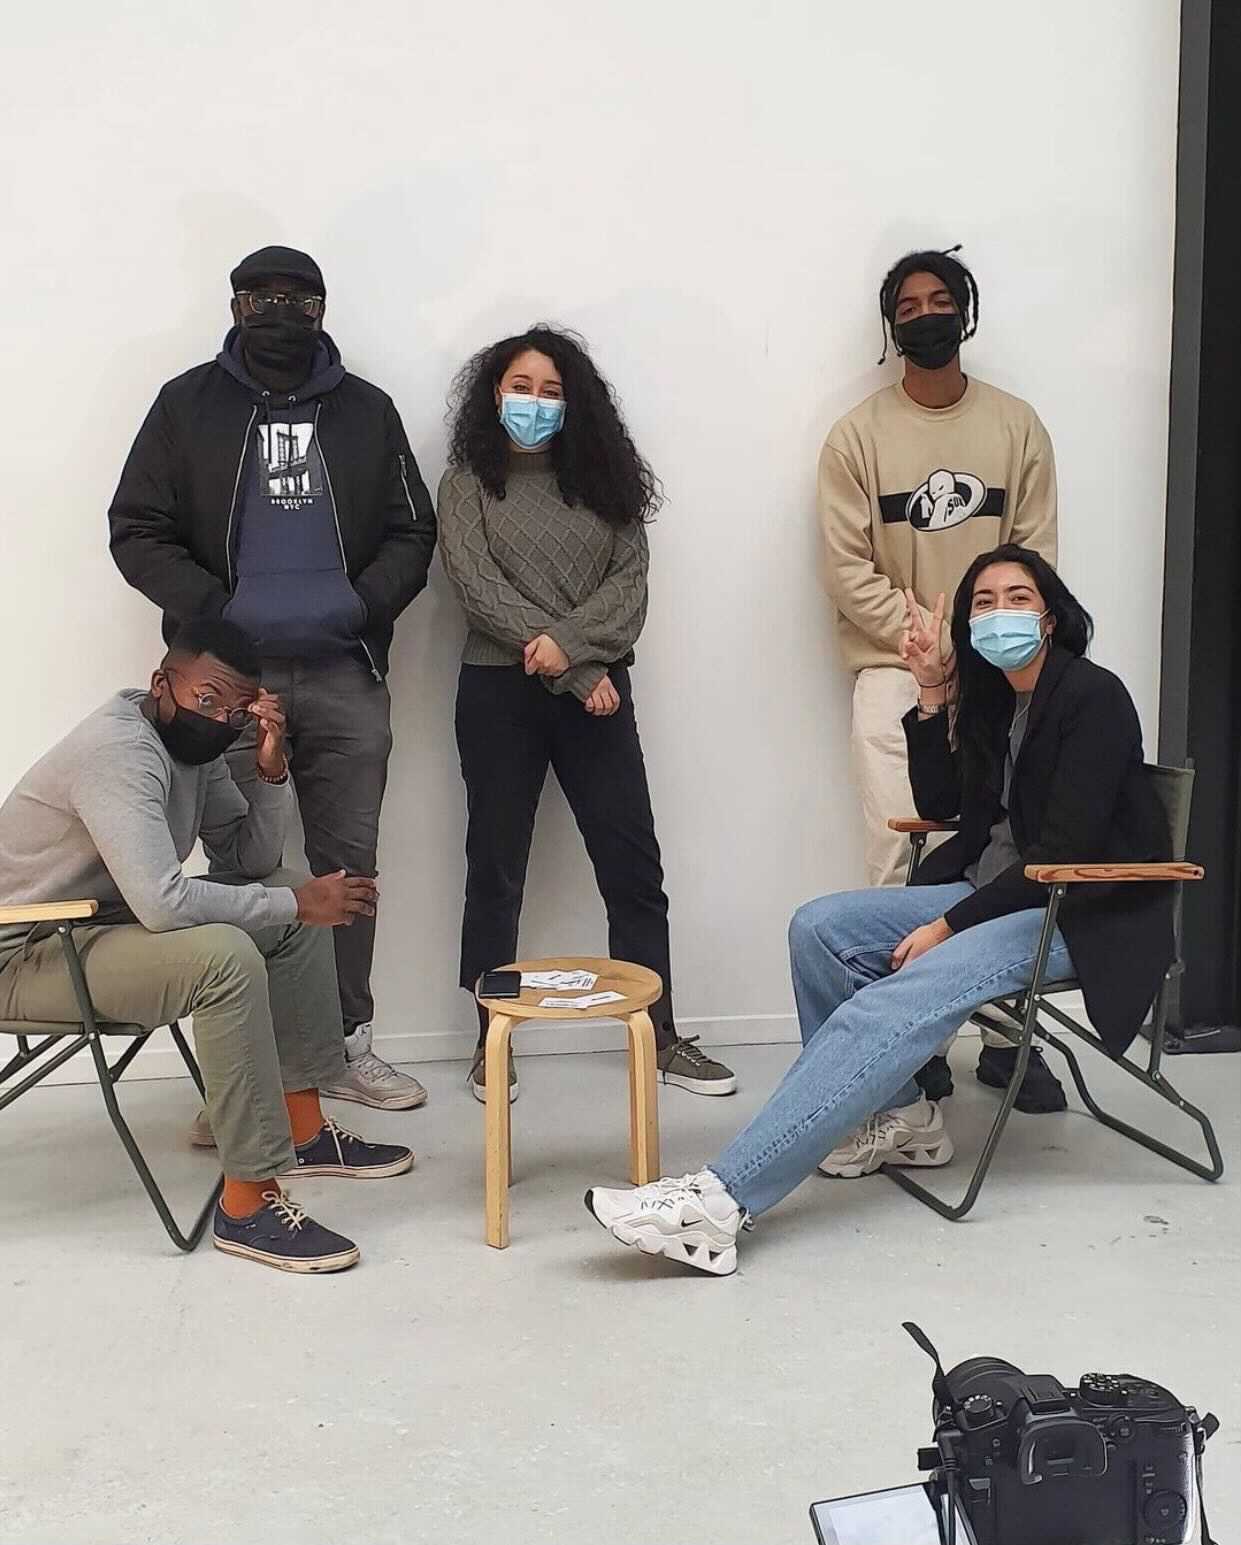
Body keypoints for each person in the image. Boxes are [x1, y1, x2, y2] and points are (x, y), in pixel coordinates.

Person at [584, 546, 1174, 1276]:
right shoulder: (998, 699)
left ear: (1049, 617)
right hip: (998, 895)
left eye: (1017, 597)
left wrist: (946, 927)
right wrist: (930, 694)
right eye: (983, 602)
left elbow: (1064, 851)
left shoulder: (1093, 696)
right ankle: (905, 1115)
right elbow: (943, 804)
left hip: (1076, 910)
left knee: (894, 996)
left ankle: (721, 1202)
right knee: (818, 928)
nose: (1000, 612)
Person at [108, 245, 436, 1114]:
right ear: (235, 308)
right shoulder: (185, 404)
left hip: (346, 672)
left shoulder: (368, 410)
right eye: (260, 299)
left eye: (296, 300)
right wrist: (217, 612)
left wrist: (360, 605)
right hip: (228, 687)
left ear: (321, 312)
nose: (278, 313)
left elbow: (414, 530)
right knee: (239, 865)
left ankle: (345, 1045)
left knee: (348, 862)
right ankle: (248, 1065)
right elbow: (134, 527)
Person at [0, 620, 414, 1274]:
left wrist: (270, 771)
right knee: (229, 954)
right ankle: (247, 1204)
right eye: (206, 699)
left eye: (236, 709)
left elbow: (250, 861)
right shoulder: (119, 752)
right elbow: (164, 904)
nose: (219, 718)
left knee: (289, 893)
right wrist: (298, 904)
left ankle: (302, 1128)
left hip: (96, 930)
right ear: (161, 684)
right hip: (27, 953)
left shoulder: (192, 749)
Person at [437, 324, 736, 1102]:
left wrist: (567, 651)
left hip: (598, 691)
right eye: (520, 387)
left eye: (551, 390)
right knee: (495, 867)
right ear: (493, 393)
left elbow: (627, 590)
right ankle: (489, 1042)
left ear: (574, 402)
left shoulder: (607, 481)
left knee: (633, 868)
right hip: (501, 694)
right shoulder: (467, 482)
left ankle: (658, 1034)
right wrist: (573, 670)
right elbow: (476, 587)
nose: (534, 402)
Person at [818, 244, 1065, 1113]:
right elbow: (845, 567)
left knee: (1006, 849)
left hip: (1004, 668)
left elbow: (1035, 552)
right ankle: (908, 1045)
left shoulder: (1016, 426)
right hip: (894, 672)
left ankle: (1005, 1038)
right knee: (900, 856)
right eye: (907, 306)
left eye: (939, 300)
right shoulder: (855, 436)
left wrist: (975, 639)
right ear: (890, 326)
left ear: (965, 311)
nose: (925, 315)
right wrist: (924, 642)